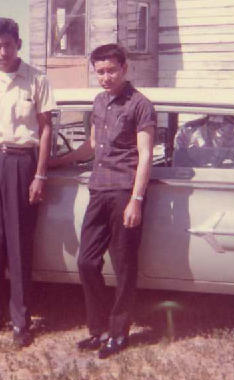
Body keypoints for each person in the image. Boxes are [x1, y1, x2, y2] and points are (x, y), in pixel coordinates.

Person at [49, 43, 155, 358]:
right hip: (98, 190)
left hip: (125, 191)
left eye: (111, 70)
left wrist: (136, 200)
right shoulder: (98, 102)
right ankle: (98, 329)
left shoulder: (141, 105)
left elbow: (146, 155)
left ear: (124, 68)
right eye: (100, 72)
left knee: (124, 266)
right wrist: (54, 163)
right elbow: (91, 146)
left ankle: (119, 333)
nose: (105, 77)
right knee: (86, 261)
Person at [0, 17, 55, 348]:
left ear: (18, 43)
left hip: (22, 163)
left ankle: (21, 321)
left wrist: (40, 174)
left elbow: (46, 129)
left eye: (8, 44)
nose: (2, 51)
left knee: (19, 246)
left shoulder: (36, 79)